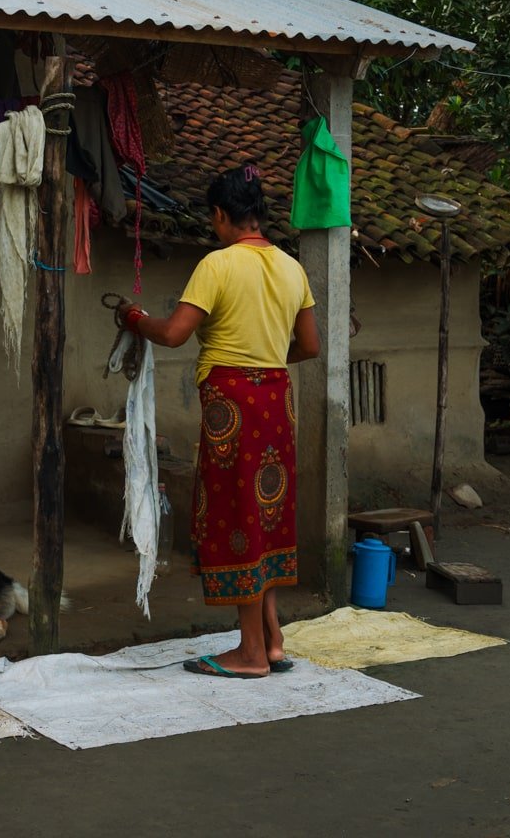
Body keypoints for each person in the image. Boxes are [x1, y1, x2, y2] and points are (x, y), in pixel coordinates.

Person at [117, 166, 320, 679]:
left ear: (222, 215)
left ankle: (251, 654)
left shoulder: (218, 263)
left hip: (232, 403)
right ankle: (272, 639)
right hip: (277, 398)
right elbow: (310, 346)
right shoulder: (293, 268)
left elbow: (175, 334)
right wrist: (265, 356)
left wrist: (134, 319)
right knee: (265, 514)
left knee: (236, 518)